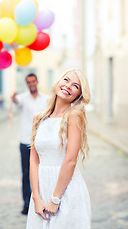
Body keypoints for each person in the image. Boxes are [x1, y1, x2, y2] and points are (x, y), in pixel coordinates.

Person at [26, 69, 91, 228]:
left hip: (65, 191)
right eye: (66, 80)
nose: (68, 86)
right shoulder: (38, 118)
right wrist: (36, 198)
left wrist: (55, 199)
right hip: (41, 191)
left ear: (78, 95)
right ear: (58, 81)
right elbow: (34, 160)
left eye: (75, 86)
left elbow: (70, 161)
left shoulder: (74, 115)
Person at [12, 73, 48, 215]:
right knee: (26, 173)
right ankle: (27, 203)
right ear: (26, 84)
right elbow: (16, 101)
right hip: (25, 141)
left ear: (37, 82)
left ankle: (40, 201)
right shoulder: (22, 98)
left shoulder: (45, 99)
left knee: (41, 173)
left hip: (41, 141)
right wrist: (13, 97)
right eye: (28, 82)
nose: (31, 84)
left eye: (33, 81)